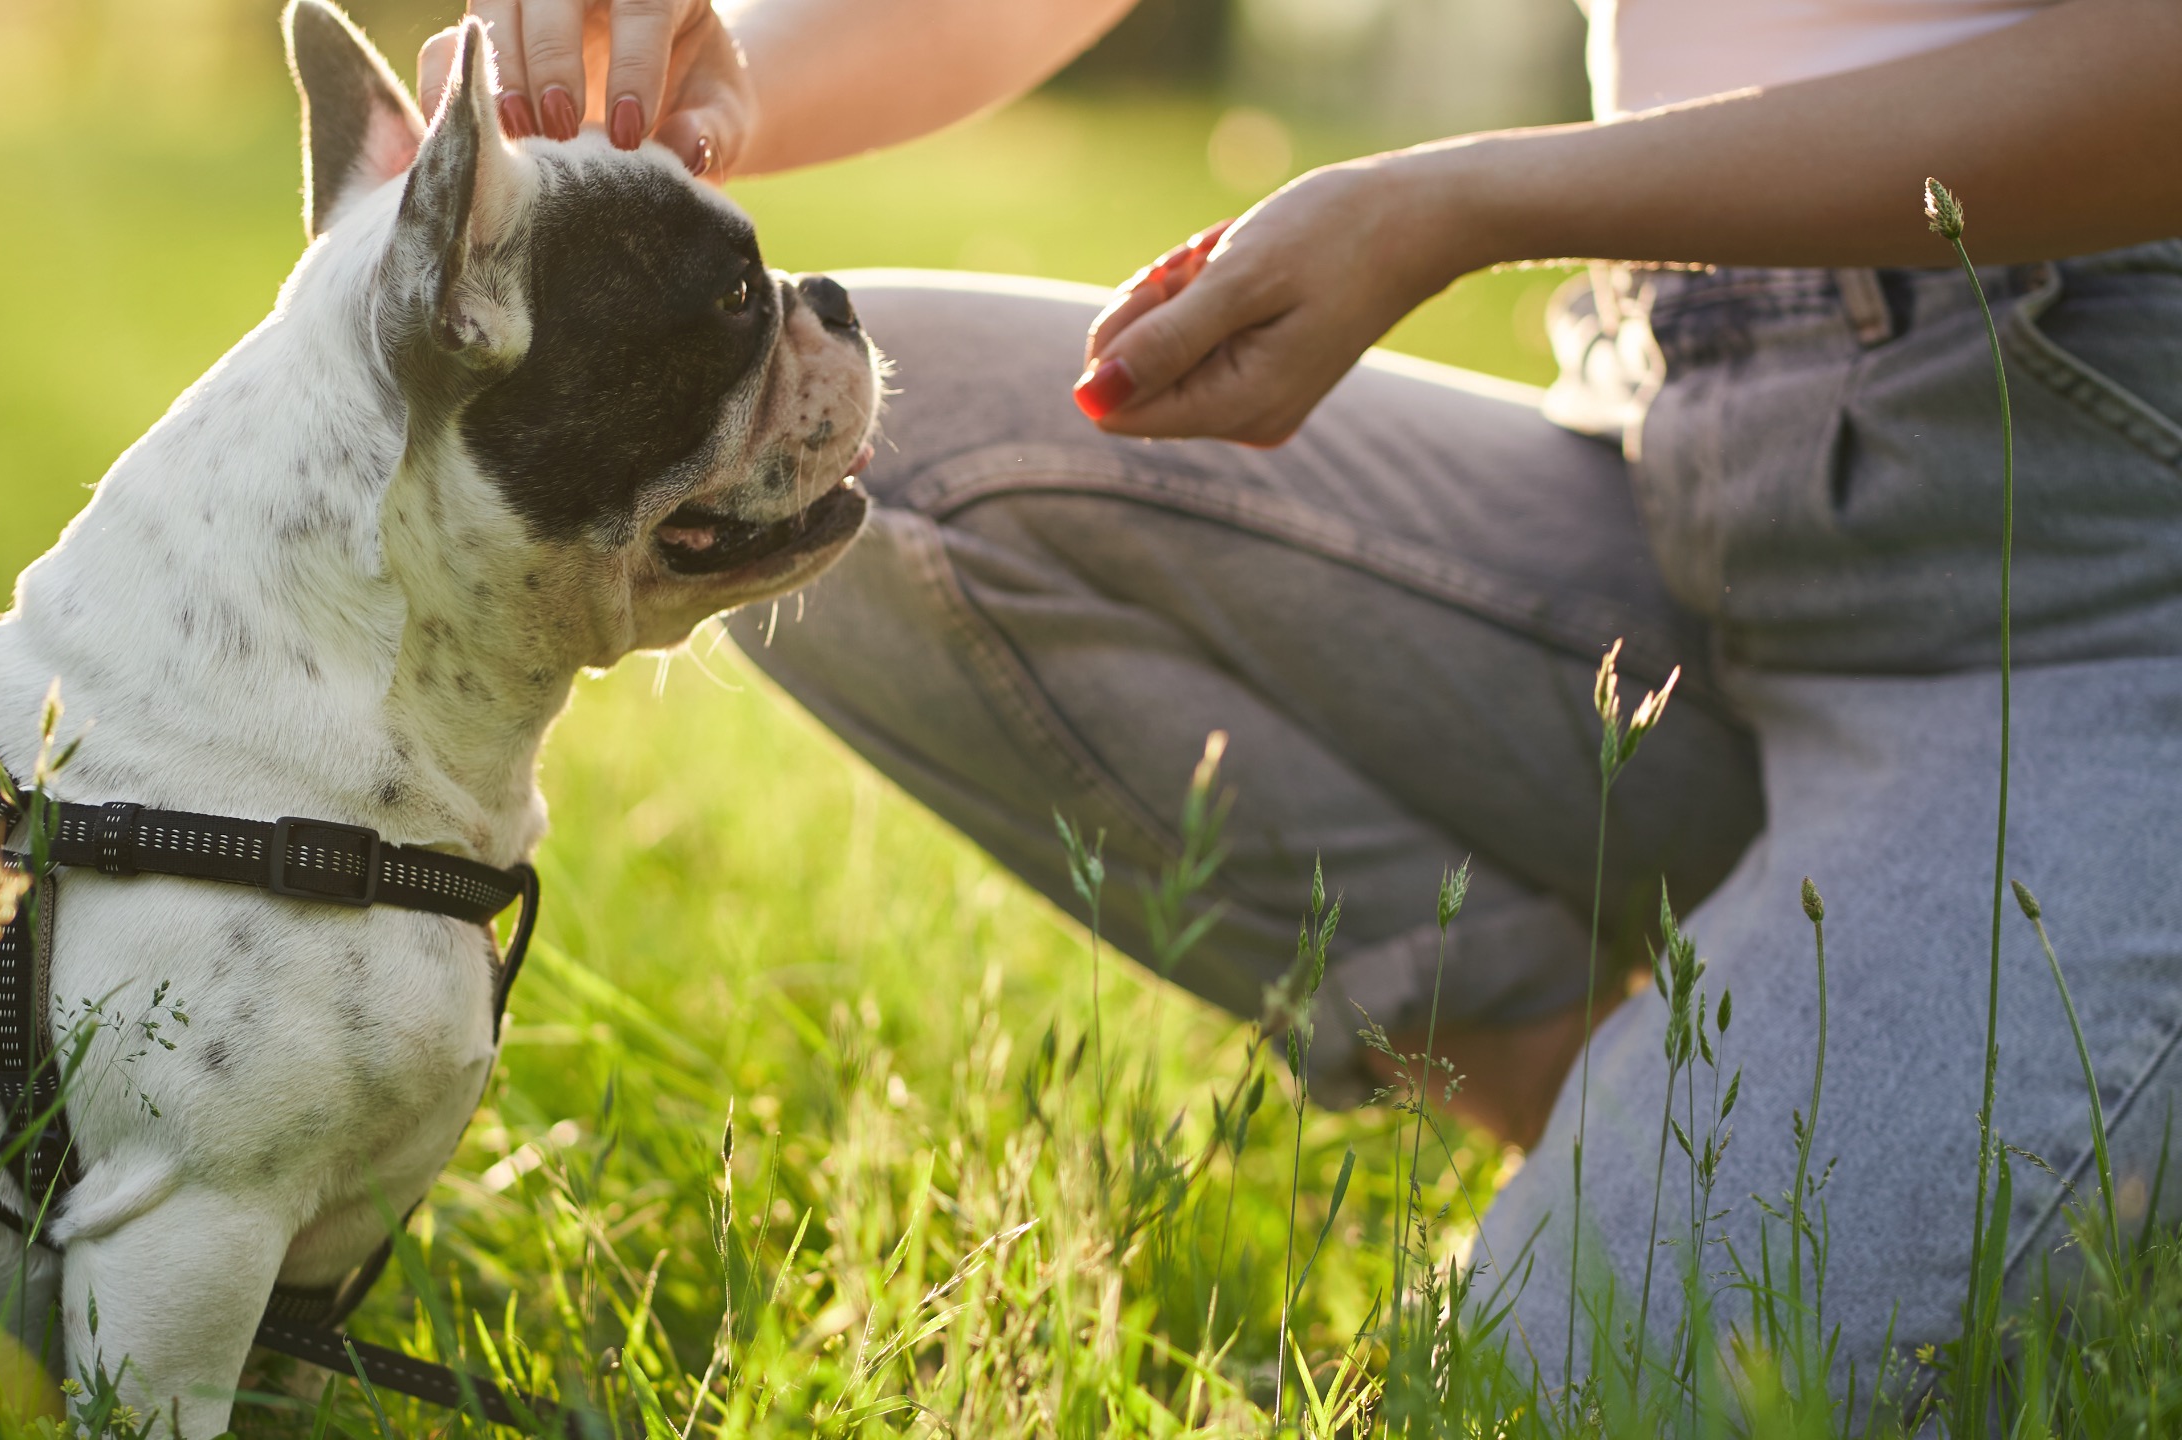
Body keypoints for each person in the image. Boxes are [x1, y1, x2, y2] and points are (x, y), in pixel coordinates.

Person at [415, 0, 2182, 1390]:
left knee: (1570, 1387)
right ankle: (1579, 1090)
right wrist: (707, 93)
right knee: (869, 473)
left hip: (2096, 583)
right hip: (1684, 464)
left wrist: (1473, 198)